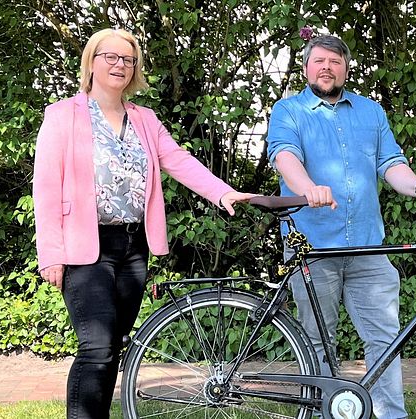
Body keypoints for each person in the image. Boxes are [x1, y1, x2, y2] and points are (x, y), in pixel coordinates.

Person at [33, 28, 254, 419]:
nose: (120, 65)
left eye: (128, 59)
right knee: (96, 346)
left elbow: (178, 161)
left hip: (133, 248)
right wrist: (51, 254)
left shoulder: (145, 119)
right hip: (86, 248)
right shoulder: (62, 115)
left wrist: (222, 193)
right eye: (111, 57)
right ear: (92, 61)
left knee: (112, 346)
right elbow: (46, 186)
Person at [267, 34, 416, 418]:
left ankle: (389, 415)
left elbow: (390, 165)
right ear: (306, 68)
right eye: (319, 61)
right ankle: (321, 413)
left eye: (334, 61)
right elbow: (285, 157)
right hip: (312, 246)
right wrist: (308, 189)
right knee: (317, 342)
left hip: (368, 248)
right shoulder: (289, 110)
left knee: (385, 340)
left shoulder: (370, 112)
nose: (326, 68)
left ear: (346, 68)